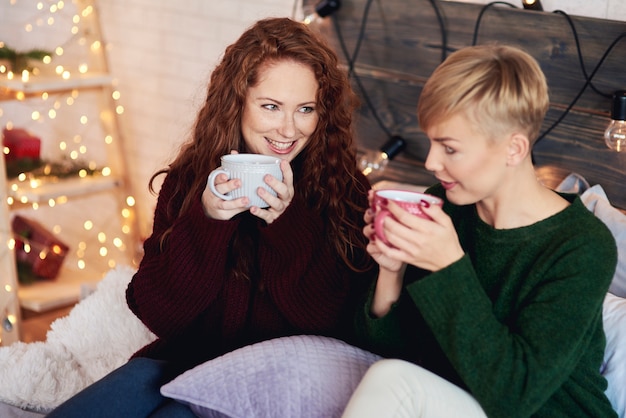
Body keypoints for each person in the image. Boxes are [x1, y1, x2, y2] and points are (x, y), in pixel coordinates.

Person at [48, 17, 373, 417]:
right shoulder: (190, 181)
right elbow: (155, 310)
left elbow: (333, 321)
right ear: (237, 103)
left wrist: (287, 226)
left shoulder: (346, 192)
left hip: (271, 379)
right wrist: (208, 221)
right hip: (181, 360)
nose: (289, 129)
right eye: (271, 106)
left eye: (305, 109)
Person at [341, 44, 618, 418]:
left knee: (393, 381)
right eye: (432, 142)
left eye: (450, 149)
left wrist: (448, 266)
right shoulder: (448, 208)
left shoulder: (582, 247)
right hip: (460, 403)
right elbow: (399, 352)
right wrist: (392, 271)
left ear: (514, 149)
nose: (430, 162)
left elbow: (513, 396)